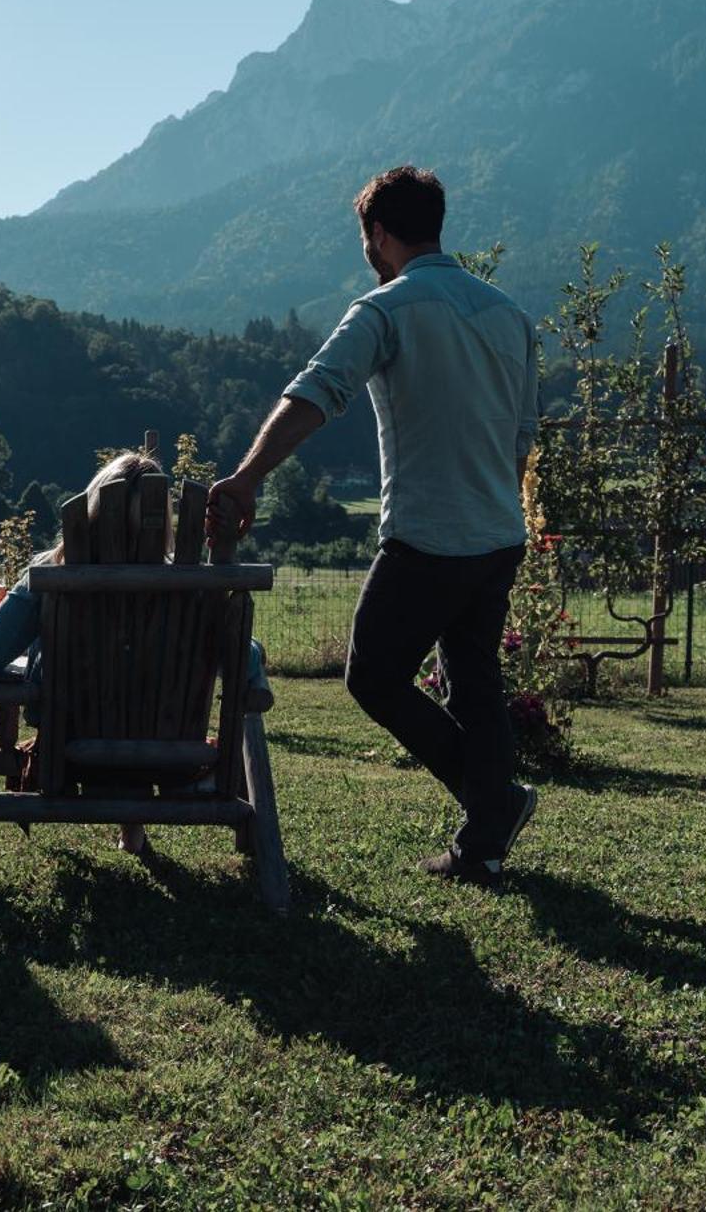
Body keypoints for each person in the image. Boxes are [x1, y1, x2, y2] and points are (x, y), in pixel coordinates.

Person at [207, 164, 540, 886]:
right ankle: (484, 839)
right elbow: (522, 438)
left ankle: (494, 802)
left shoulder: (385, 308)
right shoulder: (510, 316)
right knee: (475, 681)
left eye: (368, 237)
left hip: (427, 535)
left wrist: (248, 475)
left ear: (379, 234)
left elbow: (317, 392)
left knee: (372, 676)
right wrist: (497, 514)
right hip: (498, 533)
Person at [0, 451, 267, 859]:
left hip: (72, 755)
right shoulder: (190, 589)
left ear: (91, 513)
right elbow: (244, 666)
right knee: (136, 689)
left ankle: (132, 832)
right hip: (171, 758)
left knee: (113, 688)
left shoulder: (49, 575)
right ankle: (135, 833)